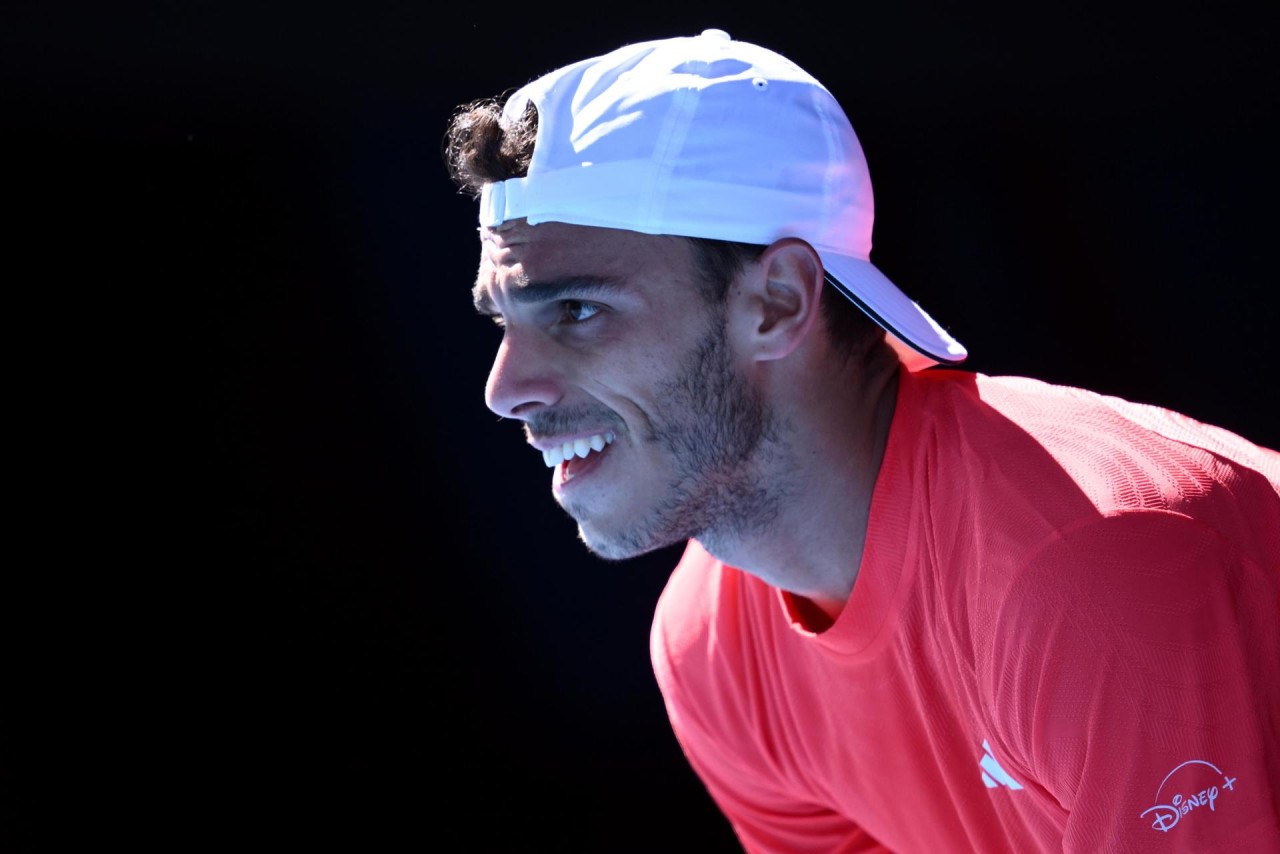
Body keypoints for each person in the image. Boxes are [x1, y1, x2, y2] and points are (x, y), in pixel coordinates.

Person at [444, 29, 1280, 853]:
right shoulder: (709, 647)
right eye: (502, 320)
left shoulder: (1088, 569)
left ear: (777, 301)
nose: (506, 390)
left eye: (576, 312)